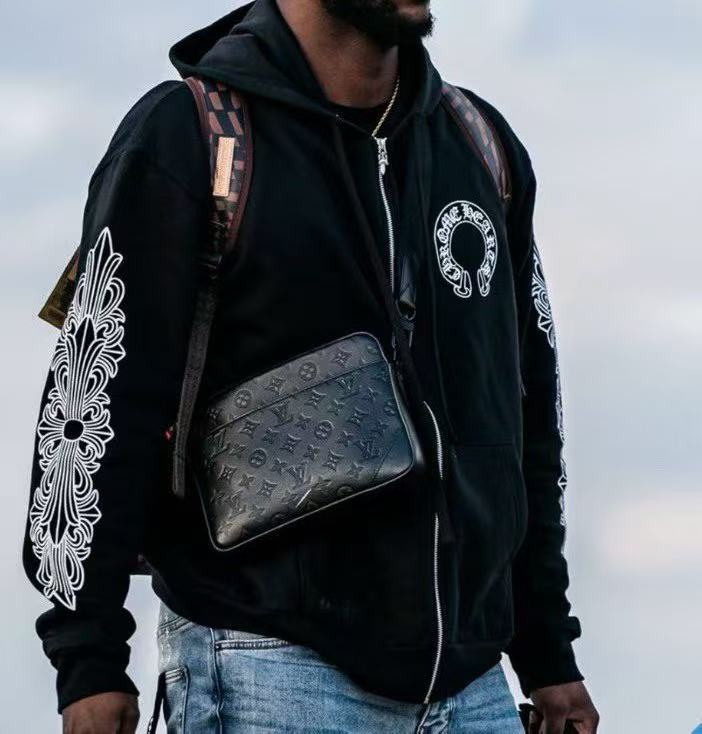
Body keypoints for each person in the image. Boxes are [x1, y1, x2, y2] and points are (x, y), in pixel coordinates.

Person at [22, 0, 600, 732]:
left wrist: (548, 652)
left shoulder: (479, 144)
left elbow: (527, 411)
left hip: (472, 684)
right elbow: (95, 400)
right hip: (267, 667)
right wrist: (88, 658)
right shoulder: (192, 136)